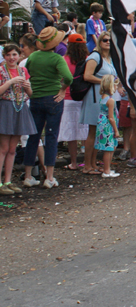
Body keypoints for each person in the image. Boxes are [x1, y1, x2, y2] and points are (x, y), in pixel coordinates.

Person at [22, 27, 73, 188]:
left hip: (35, 98)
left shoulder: (33, 57)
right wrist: (62, 89)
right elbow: (68, 77)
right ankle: (49, 177)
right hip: (53, 98)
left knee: (33, 137)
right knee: (51, 136)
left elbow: (27, 73)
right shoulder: (57, 59)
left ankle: (28, 175)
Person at [79, 31, 118, 175]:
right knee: (92, 130)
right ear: (99, 42)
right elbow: (87, 76)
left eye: (110, 40)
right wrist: (105, 81)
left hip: (104, 96)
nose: (108, 42)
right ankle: (87, 165)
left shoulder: (110, 58)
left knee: (98, 131)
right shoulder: (95, 56)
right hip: (94, 97)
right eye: (105, 40)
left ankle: (93, 163)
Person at [0, 44, 36, 195]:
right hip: (6, 107)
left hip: (20, 107)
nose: (11, 58)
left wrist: (27, 87)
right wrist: (9, 82)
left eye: (14, 54)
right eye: (8, 55)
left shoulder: (23, 70)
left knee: (12, 149)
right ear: (4, 56)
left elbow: (31, 94)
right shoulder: (1, 71)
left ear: (19, 56)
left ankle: (8, 181)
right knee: (3, 148)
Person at [59, 34, 89, 170]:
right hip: (85, 97)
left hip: (67, 98)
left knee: (71, 132)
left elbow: (61, 79)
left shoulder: (63, 60)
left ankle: (74, 162)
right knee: (87, 131)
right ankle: (88, 161)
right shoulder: (88, 59)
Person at [93, 74, 121, 178]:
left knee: (109, 148)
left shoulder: (103, 98)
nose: (116, 87)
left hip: (102, 124)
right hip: (108, 126)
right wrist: (116, 130)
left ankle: (107, 169)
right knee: (109, 149)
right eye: (115, 85)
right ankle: (106, 170)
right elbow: (111, 117)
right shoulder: (111, 100)